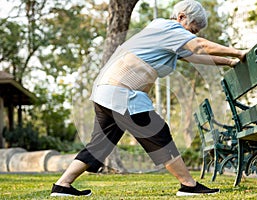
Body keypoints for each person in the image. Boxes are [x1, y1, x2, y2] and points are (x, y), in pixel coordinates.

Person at [50, 0, 246, 197]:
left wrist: (229, 61)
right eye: (192, 29)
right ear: (181, 17)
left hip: (106, 90)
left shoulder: (163, 33)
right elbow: (200, 46)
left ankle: (62, 185)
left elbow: (196, 56)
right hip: (121, 92)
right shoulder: (168, 27)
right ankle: (188, 185)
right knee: (158, 132)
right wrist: (238, 51)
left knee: (100, 143)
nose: (192, 35)